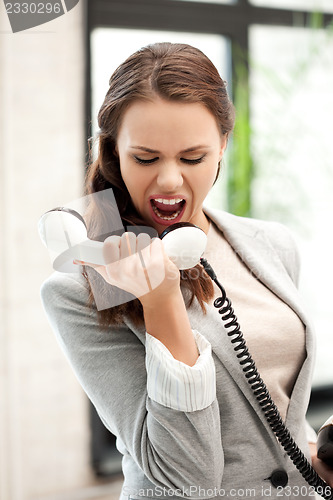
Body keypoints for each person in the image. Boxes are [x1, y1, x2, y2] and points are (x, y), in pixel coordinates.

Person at [41, 42, 333, 499]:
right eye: (146, 158)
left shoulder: (270, 245)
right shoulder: (87, 285)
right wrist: (161, 302)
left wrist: (315, 454)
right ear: (114, 152)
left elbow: (269, 407)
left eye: (192, 158)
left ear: (221, 146)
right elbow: (184, 476)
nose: (170, 180)